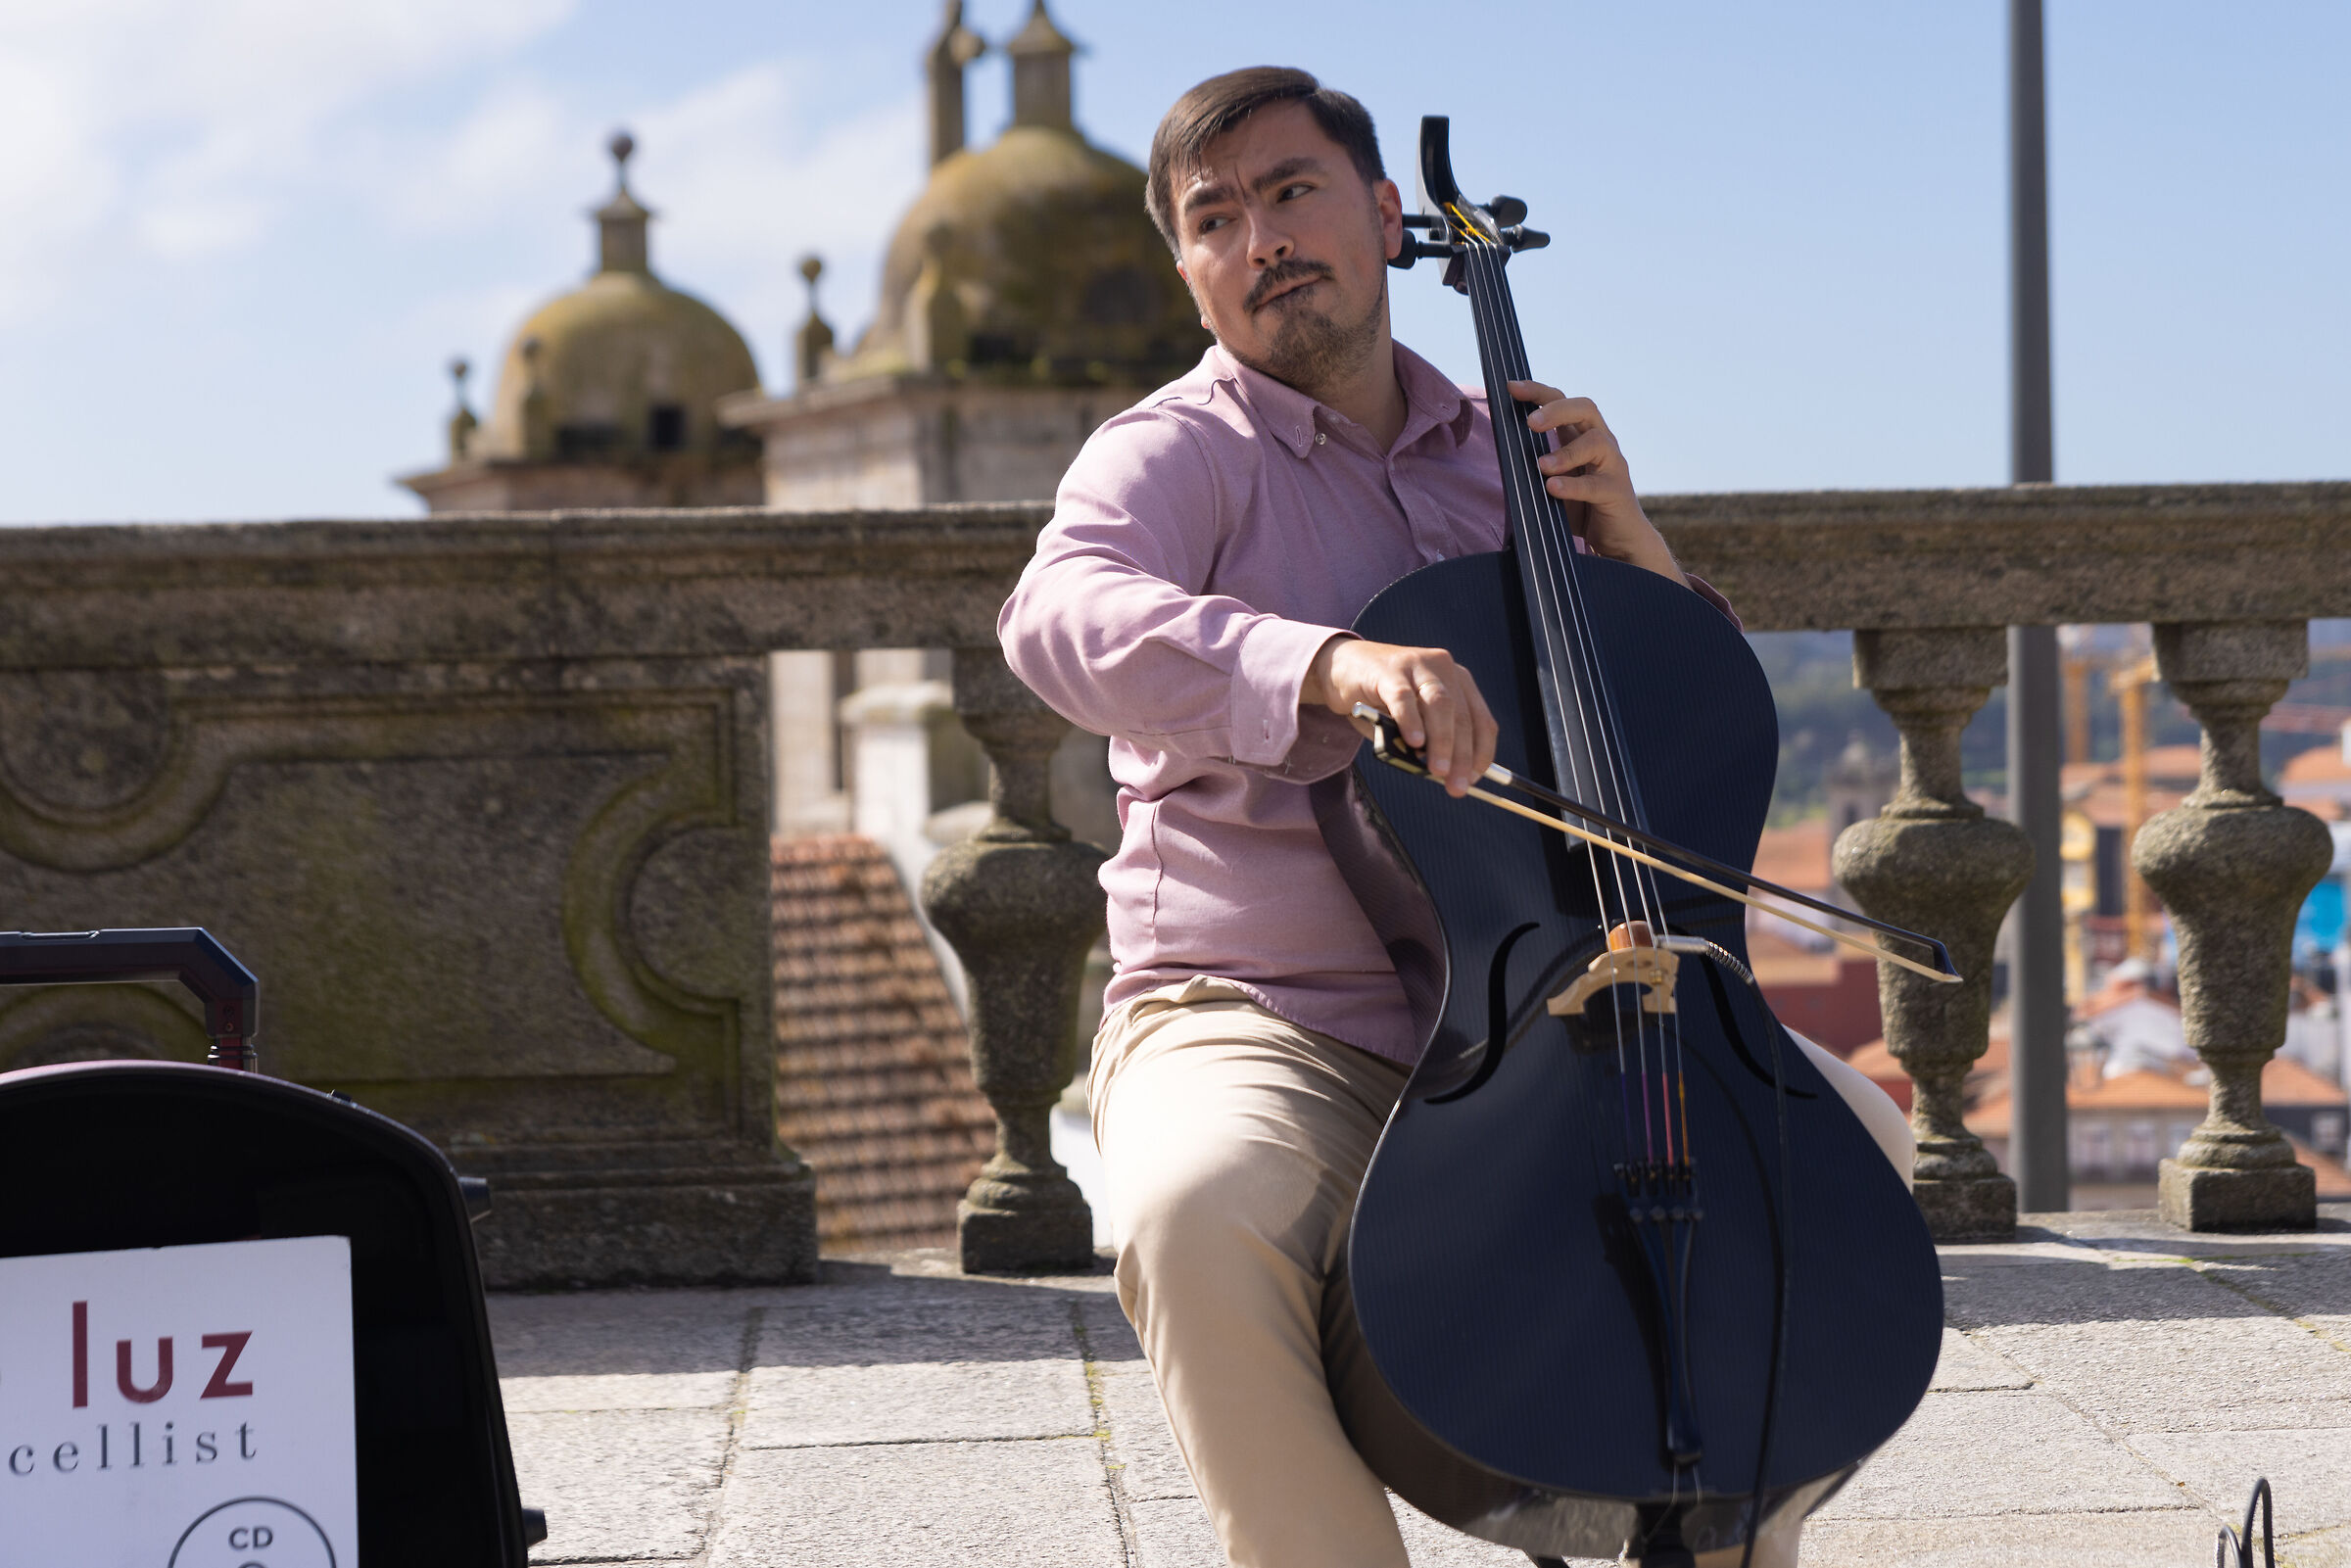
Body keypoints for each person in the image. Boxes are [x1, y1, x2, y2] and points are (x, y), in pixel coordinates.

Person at [999, 67, 1912, 1568]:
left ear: (1380, 216)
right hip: (1266, 1010)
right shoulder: (1172, 452)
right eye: (1213, 220)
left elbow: (1665, 742)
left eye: (1291, 193)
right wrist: (1322, 659)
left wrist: (1641, 556)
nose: (1261, 240)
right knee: (1188, 1207)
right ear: (1189, 269)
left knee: (1851, 1150)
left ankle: (1729, 1529)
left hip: (1551, 998)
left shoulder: (1517, 449)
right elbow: (1058, 618)